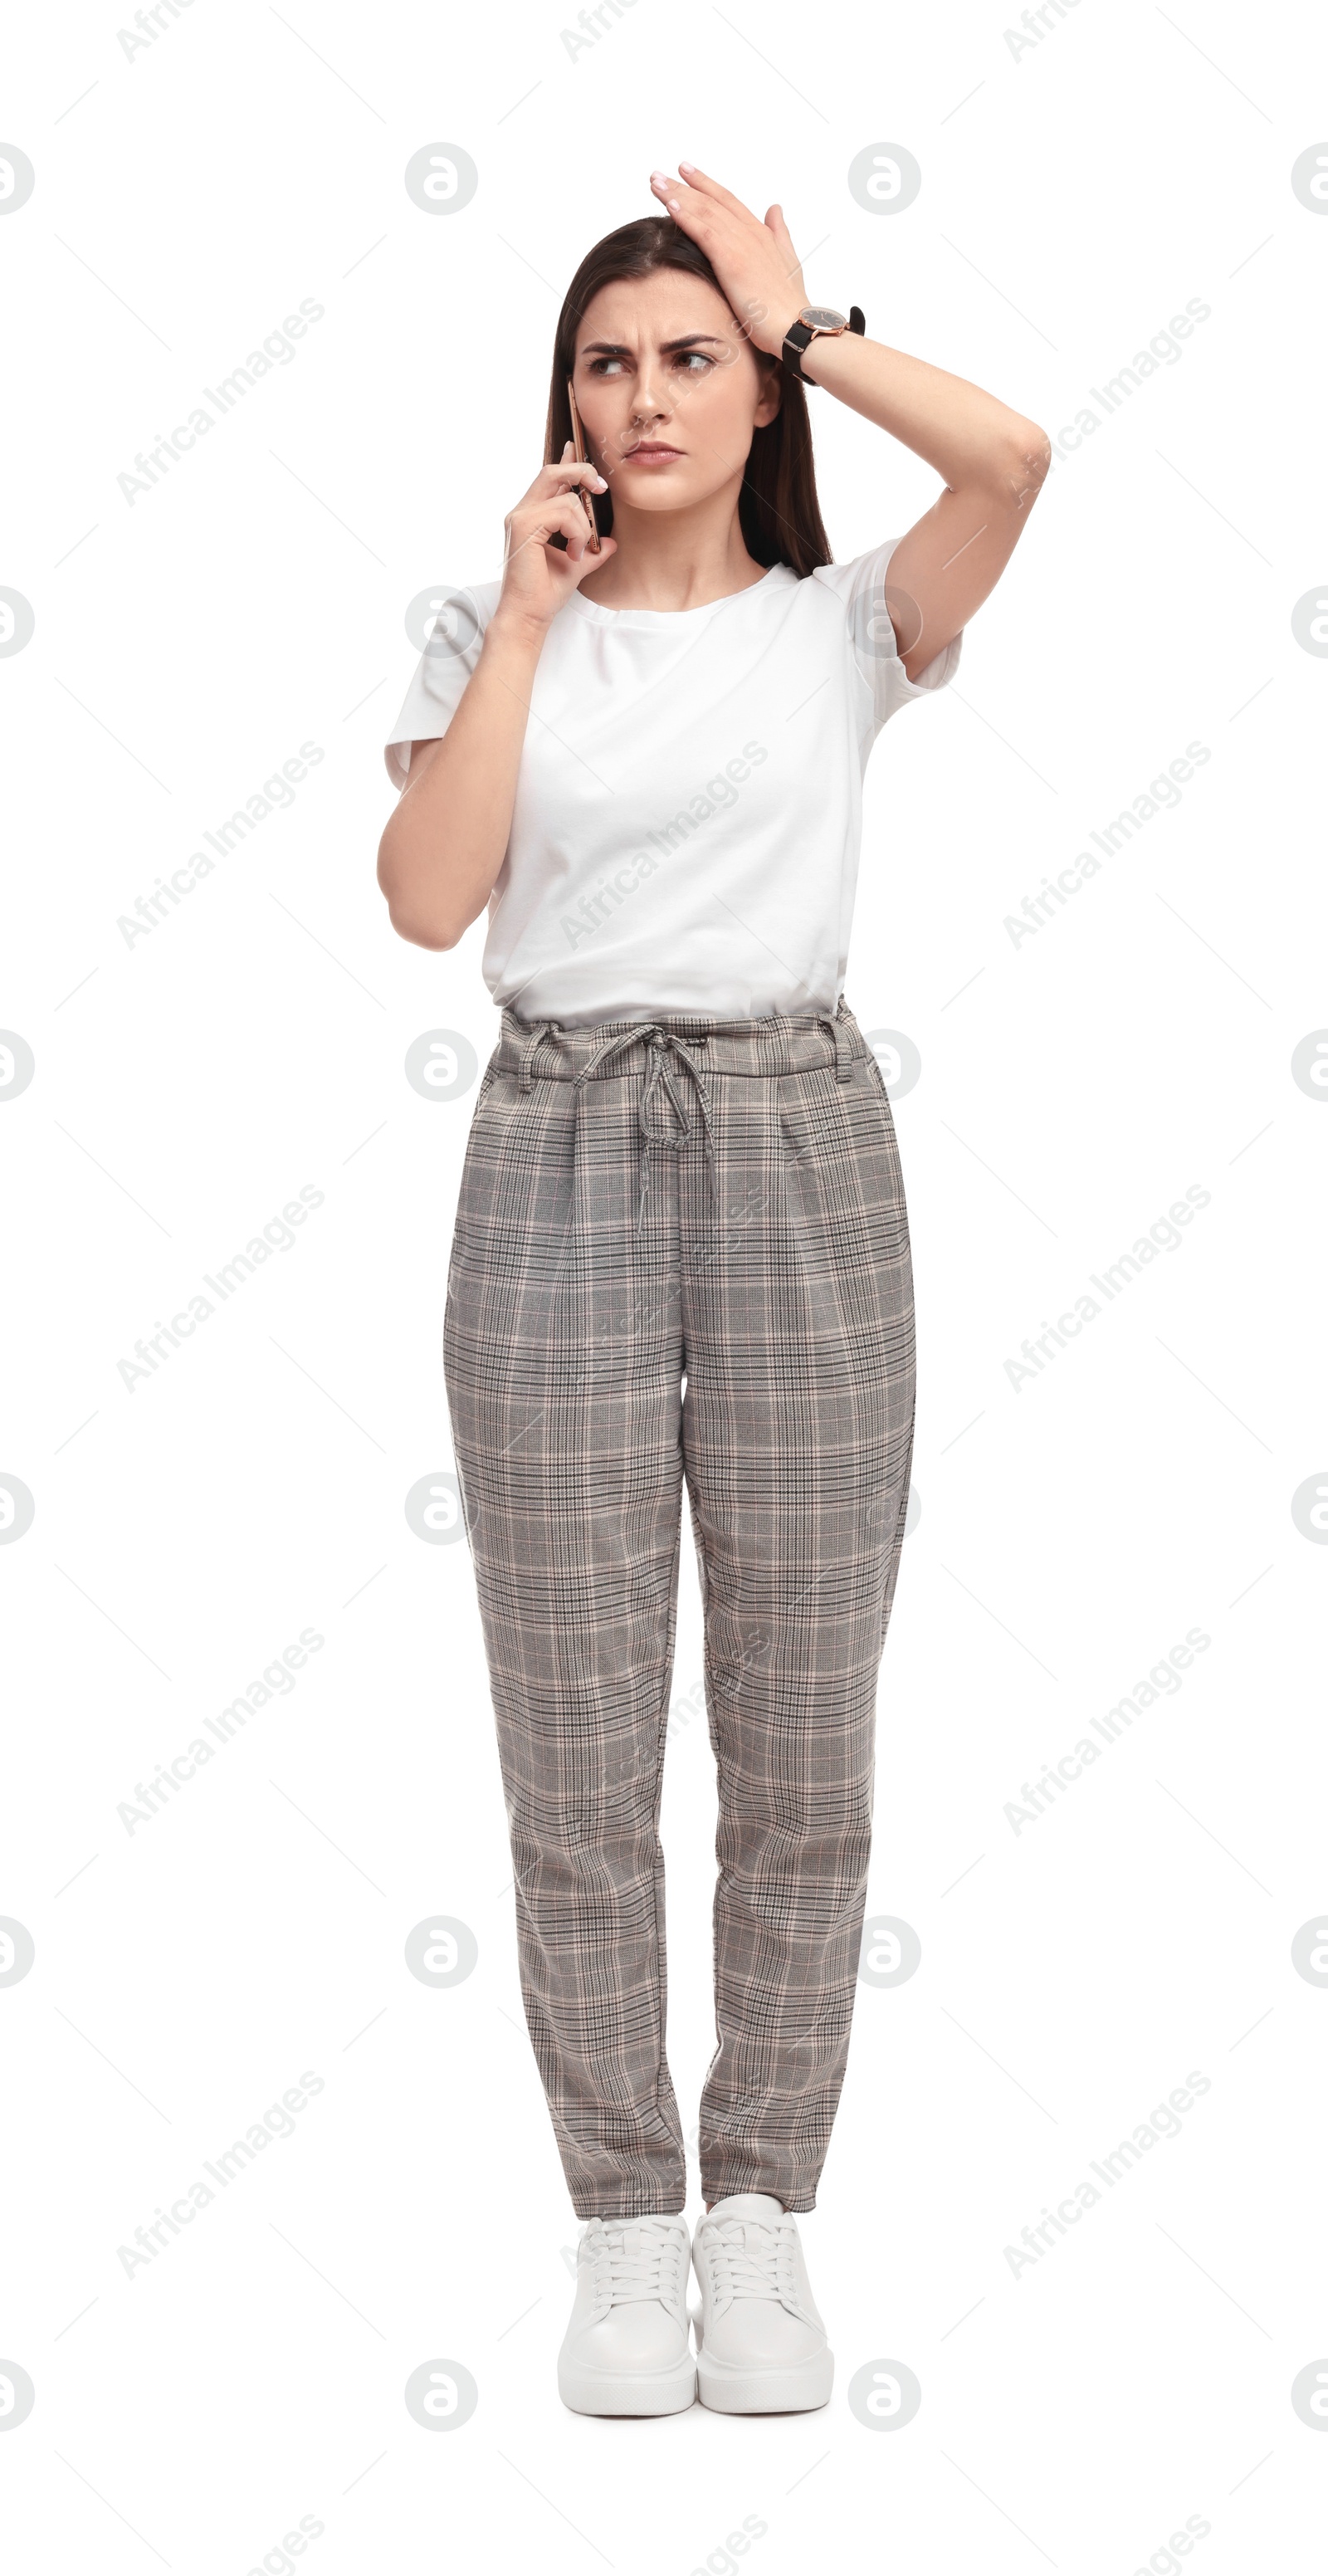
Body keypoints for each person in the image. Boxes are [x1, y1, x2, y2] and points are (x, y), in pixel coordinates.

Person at [378, 162, 1049, 2417]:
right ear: (559, 395)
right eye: (608, 357)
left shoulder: (850, 620)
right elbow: (428, 897)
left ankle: (763, 2212)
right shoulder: (484, 626)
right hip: (557, 1141)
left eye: (689, 356)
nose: (646, 393)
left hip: (793, 1150)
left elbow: (1017, 460)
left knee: (799, 1730)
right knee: (575, 1732)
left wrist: (810, 312)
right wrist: (528, 614)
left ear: (749, 386)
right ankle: (618, 2226)